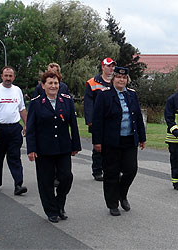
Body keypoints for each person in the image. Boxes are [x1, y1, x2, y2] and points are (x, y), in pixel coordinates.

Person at [26, 71, 81, 223]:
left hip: (63, 147)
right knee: (46, 181)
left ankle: (59, 204)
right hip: (43, 148)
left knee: (66, 177)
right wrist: (31, 149)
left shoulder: (67, 101)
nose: (53, 86)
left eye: (56, 83)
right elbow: (30, 128)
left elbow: (73, 126)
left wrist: (75, 144)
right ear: (43, 85)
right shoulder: (36, 103)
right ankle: (51, 211)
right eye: (50, 83)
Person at [92, 66, 146, 216]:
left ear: (127, 80)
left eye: (124, 78)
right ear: (113, 79)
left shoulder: (132, 95)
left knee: (131, 170)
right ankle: (112, 203)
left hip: (129, 139)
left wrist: (142, 137)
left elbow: (137, 118)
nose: (121, 80)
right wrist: (97, 141)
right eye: (118, 77)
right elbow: (97, 120)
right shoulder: (104, 95)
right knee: (111, 173)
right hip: (111, 141)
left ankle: (122, 194)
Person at [0, 66, 28, 195]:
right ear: (1, 76)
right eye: (6, 76)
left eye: (10, 76)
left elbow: (22, 109)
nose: (8, 78)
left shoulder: (17, 90)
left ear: (14, 77)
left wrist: (26, 125)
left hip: (14, 128)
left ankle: (18, 184)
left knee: (15, 157)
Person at [84, 57, 116, 181]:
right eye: (109, 66)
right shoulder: (92, 82)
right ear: (103, 67)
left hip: (112, 120)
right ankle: (97, 171)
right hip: (98, 120)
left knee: (113, 147)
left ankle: (111, 169)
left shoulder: (116, 81)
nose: (111, 68)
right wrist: (90, 121)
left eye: (113, 66)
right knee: (98, 147)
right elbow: (88, 103)